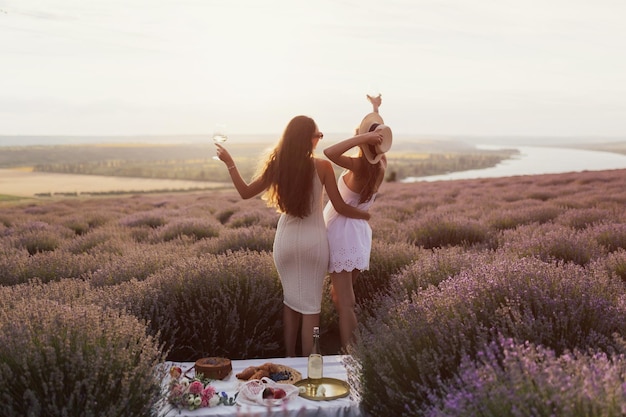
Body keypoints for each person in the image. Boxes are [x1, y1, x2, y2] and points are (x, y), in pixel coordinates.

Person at [214, 115, 371, 357]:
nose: (320, 139)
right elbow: (339, 206)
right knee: (311, 309)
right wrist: (364, 215)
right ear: (308, 138)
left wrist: (230, 163)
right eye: (318, 135)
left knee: (290, 302)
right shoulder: (323, 167)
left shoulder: (277, 165)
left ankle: (289, 357)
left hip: (286, 241)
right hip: (314, 243)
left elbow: (245, 192)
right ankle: (310, 362)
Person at [322, 94, 392, 350]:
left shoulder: (358, 166)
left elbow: (329, 151)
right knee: (340, 296)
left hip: (342, 233)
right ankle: (348, 345)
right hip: (358, 233)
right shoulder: (380, 165)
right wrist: (375, 110)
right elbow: (379, 142)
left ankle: (350, 355)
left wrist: (364, 137)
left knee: (345, 303)